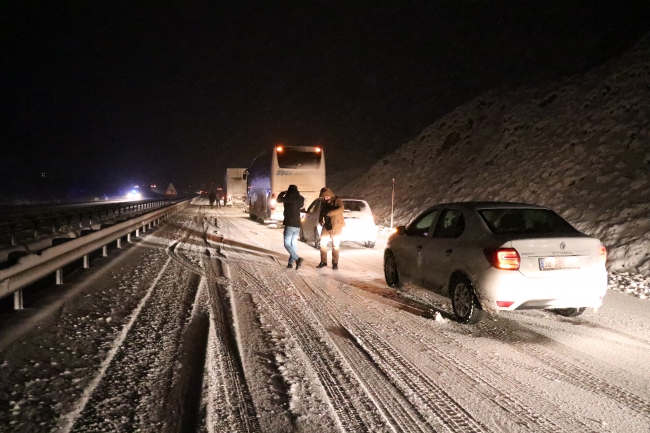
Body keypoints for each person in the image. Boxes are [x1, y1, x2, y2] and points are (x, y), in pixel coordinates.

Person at [277, 184, 305, 270]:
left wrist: (282, 193)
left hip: (289, 224)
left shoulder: (288, 198)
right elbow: (301, 205)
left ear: (288, 190)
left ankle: (297, 258)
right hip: (297, 224)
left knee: (286, 244)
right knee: (294, 244)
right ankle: (290, 263)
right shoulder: (301, 198)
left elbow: (278, 199)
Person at [317, 187, 345, 270]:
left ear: (330, 195)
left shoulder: (337, 200)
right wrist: (320, 218)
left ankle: (335, 263)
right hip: (327, 225)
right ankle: (323, 261)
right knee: (322, 243)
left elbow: (341, 209)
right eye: (323, 197)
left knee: (335, 245)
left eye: (326, 196)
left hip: (336, 225)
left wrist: (329, 213)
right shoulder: (323, 202)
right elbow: (322, 211)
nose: (325, 198)